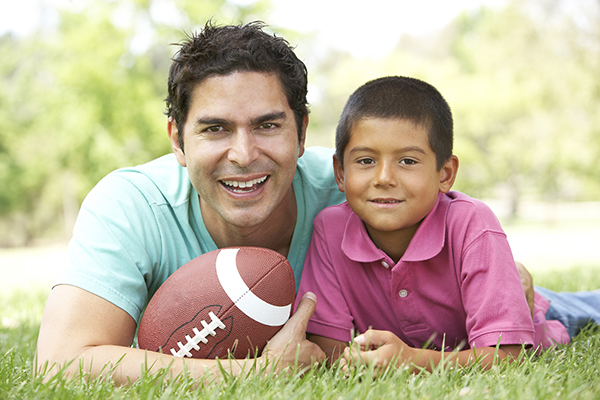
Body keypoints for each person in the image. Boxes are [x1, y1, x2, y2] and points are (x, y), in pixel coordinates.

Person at [36, 22, 536, 384]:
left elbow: (450, 214)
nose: (244, 153)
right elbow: (60, 361)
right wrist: (254, 375)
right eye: (215, 128)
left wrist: (503, 274)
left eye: (268, 125)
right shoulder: (131, 205)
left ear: (302, 134)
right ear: (177, 139)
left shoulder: (348, 185)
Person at [295, 76, 600, 375]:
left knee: (590, 307)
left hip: (534, 312)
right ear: (340, 171)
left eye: (408, 161)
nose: (384, 178)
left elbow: (508, 355)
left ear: (445, 174)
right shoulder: (329, 229)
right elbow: (330, 350)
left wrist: (411, 361)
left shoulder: (471, 222)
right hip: (476, 309)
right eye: (365, 161)